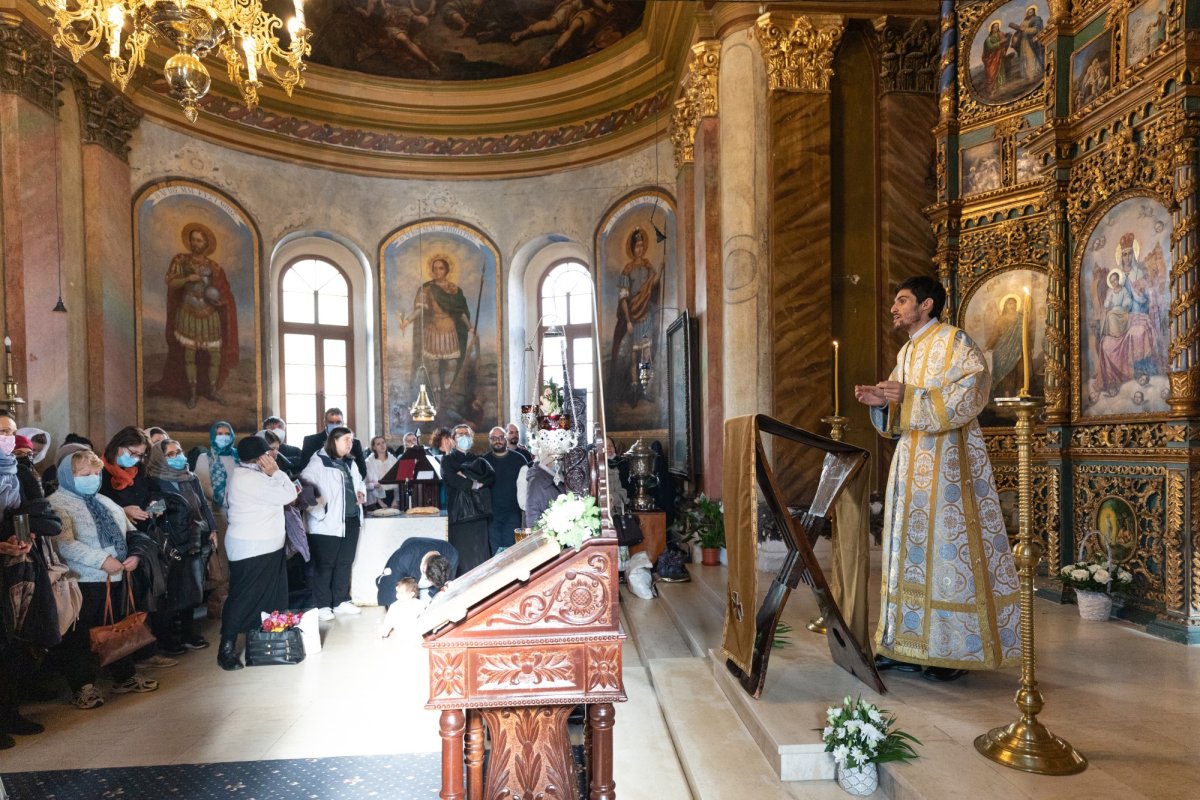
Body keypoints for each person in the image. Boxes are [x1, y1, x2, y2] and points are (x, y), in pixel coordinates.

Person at [854, 276, 1020, 682]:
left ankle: (948, 653)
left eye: (902, 300)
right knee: (905, 556)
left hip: (947, 469)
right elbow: (897, 417)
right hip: (910, 467)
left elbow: (973, 389)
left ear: (926, 304)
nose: (894, 308)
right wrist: (882, 405)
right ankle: (905, 645)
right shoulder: (907, 351)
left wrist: (907, 397)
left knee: (947, 553)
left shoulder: (954, 341)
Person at [49, 448, 159, 707]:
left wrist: (135, 555)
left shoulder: (106, 501)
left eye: (96, 473)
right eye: (85, 474)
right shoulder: (57, 503)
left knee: (116, 629)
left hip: (117, 577)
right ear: (69, 475)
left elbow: (131, 533)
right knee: (80, 637)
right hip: (82, 581)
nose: (92, 478)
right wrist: (101, 560)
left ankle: (124, 676)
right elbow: (63, 544)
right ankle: (83, 686)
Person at [218, 436, 298, 671]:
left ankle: (266, 644)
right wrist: (277, 474)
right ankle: (226, 648)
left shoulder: (255, 476)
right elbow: (289, 494)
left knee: (269, 597)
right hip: (251, 547)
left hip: (267, 545)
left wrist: (274, 476)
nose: (273, 457)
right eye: (269, 453)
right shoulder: (248, 479)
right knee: (242, 598)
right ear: (259, 458)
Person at [155, 223, 239, 409]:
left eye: (199, 240)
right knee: (189, 355)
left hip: (210, 314)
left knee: (215, 355)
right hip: (187, 311)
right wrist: (187, 279)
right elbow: (170, 281)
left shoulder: (214, 267)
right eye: (193, 240)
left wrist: (219, 299)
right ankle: (192, 394)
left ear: (206, 243)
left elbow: (224, 291)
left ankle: (212, 390)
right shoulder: (180, 260)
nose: (195, 243)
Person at [146, 438, 218, 651]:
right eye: (170, 454)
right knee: (171, 591)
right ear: (160, 458)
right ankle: (166, 640)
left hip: (195, 537)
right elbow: (152, 510)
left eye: (178, 452)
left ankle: (188, 633)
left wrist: (212, 528)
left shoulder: (190, 477)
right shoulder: (153, 479)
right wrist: (155, 509)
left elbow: (203, 504)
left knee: (193, 588)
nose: (178, 457)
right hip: (170, 542)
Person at [301, 425, 367, 621]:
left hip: (350, 519)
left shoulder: (350, 463)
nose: (350, 443)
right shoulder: (318, 462)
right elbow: (304, 488)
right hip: (326, 523)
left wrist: (360, 491)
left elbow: (358, 482)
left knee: (345, 562)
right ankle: (322, 604)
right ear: (334, 441)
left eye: (351, 439)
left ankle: (340, 601)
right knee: (325, 564)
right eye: (346, 439)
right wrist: (320, 512)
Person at [400, 255, 472, 398]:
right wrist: (406, 321)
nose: (437, 271)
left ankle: (448, 396)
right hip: (433, 330)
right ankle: (437, 399)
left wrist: (469, 327)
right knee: (433, 366)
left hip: (450, 329)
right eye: (435, 269)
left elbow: (461, 312)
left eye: (441, 268)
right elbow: (419, 310)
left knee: (452, 364)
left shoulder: (454, 289)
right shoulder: (427, 289)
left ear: (447, 270)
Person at [195, 421, 237, 618]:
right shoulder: (205, 458)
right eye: (219, 433)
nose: (223, 436)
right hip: (218, 513)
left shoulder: (237, 455)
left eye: (226, 433)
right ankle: (220, 603)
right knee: (221, 560)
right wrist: (223, 499)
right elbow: (203, 484)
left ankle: (237, 599)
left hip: (240, 512)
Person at [442, 425, 493, 573]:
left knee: (480, 555)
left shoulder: (478, 459)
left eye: (467, 434)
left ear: (472, 438)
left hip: (479, 512)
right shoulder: (448, 460)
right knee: (462, 556)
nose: (464, 436)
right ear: (453, 440)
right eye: (460, 434)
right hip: (459, 515)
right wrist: (473, 482)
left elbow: (490, 477)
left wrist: (465, 475)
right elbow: (453, 480)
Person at [483, 426, 528, 554]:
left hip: (513, 515)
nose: (498, 441)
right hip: (492, 516)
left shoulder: (519, 459)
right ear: (489, 440)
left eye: (501, 437)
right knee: (495, 554)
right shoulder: (484, 461)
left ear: (506, 439)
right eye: (494, 438)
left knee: (512, 553)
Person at [376, 537, 457, 606]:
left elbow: (447, 586)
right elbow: (387, 591)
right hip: (410, 561)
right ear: (424, 568)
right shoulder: (404, 558)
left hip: (429, 552)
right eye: (428, 580)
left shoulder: (452, 555)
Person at [300, 407, 367, 477]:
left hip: (349, 483)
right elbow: (304, 468)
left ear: (343, 423)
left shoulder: (355, 443)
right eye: (331, 422)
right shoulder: (311, 441)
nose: (335, 425)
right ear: (325, 422)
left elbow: (362, 471)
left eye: (338, 422)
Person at [523, 450, 565, 530]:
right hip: (547, 536)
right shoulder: (536, 482)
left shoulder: (556, 476)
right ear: (548, 462)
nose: (561, 463)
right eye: (558, 460)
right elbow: (532, 517)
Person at [365, 435, 399, 510]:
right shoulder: (369, 462)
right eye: (378, 444)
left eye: (383, 442)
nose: (382, 445)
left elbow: (399, 481)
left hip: (393, 496)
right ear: (374, 447)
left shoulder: (393, 459)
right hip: (376, 499)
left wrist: (395, 500)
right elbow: (366, 484)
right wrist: (379, 501)